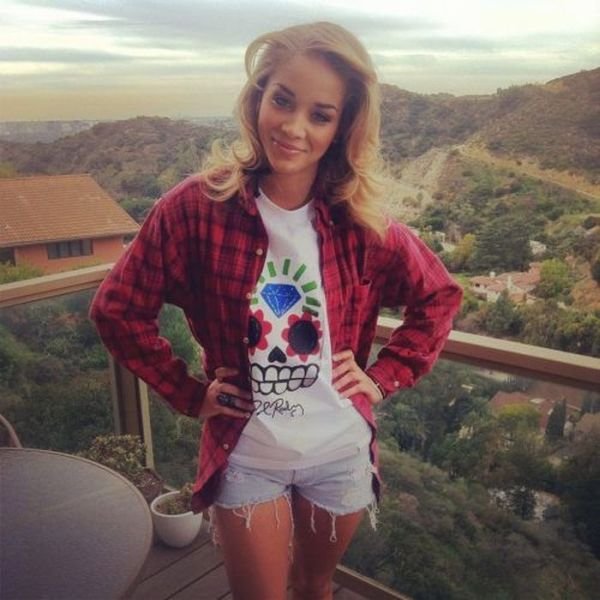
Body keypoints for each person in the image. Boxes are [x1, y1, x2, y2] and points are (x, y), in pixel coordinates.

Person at [90, 21, 462, 600]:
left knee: (314, 587)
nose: (293, 127)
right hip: (248, 452)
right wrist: (189, 394)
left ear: (341, 128)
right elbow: (117, 310)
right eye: (283, 101)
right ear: (258, 97)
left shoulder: (361, 224)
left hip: (339, 451)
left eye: (320, 114)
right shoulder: (196, 209)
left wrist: (385, 376)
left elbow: (439, 296)